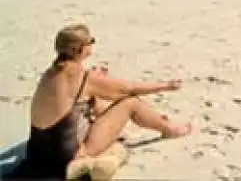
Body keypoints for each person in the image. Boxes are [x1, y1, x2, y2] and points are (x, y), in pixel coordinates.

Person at [7, 24, 191, 180]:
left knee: (96, 100)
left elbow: (78, 92)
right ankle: (170, 130)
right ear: (79, 49)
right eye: (90, 42)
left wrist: (97, 80)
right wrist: (166, 86)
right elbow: (128, 89)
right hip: (67, 156)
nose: (92, 45)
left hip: (37, 154)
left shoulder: (51, 73)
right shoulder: (83, 78)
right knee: (130, 103)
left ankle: (153, 123)